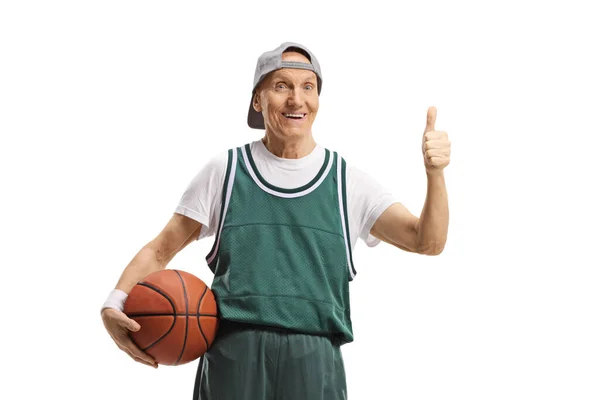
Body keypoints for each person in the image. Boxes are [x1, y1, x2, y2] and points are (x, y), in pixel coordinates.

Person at [101, 41, 450, 399]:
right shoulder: (225, 170)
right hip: (233, 354)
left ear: (317, 99)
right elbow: (161, 250)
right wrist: (114, 303)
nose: (296, 99)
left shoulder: (347, 182)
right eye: (281, 85)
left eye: (307, 87)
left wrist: (435, 175)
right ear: (257, 99)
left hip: (314, 357)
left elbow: (427, 241)